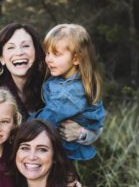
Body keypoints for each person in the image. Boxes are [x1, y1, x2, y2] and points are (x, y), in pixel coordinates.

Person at [0, 23, 100, 150]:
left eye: (25, 46)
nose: (19, 52)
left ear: (36, 53)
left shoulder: (56, 83)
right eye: (11, 48)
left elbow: (96, 124)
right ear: (2, 59)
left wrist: (81, 133)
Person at [31, 24, 106, 161]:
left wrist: (21, 128)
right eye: (47, 53)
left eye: (56, 54)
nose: (49, 59)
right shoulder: (61, 78)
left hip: (64, 152)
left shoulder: (72, 92)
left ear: (76, 59)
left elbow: (47, 117)